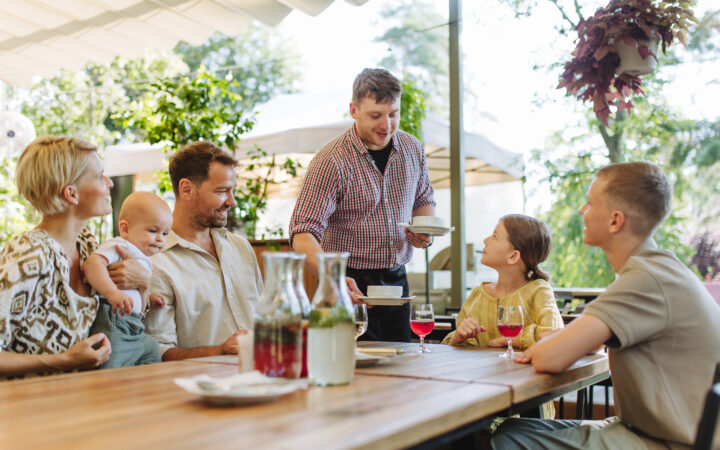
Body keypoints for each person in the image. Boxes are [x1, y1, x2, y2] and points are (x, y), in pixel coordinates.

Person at [490, 162, 720, 449]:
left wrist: (547, 345)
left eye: (589, 203)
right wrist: (556, 340)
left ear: (615, 221)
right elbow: (589, 341)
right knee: (513, 427)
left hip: (664, 442)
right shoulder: (659, 268)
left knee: (504, 438)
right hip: (665, 432)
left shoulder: (646, 278)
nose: (581, 211)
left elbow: (551, 357)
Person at [289, 68, 435, 342]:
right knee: (347, 373)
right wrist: (332, 279)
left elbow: (424, 200)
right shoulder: (331, 160)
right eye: (375, 116)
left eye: (393, 114)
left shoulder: (413, 148)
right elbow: (303, 233)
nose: (386, 125)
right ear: (353, 110)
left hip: (397, 282)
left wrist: (423, 231)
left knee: (401, 370)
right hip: (347, 283)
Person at [0, 137, 150, 379]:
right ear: (71, 193)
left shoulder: (89, 247)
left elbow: (128, 321)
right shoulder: (28, 253)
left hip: (78, 399)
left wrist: (144, 285)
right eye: (100, 176)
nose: (110, 183)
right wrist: (63, 360)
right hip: (23, 407)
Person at [144, 141, 262, 361]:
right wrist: (220, 351)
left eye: (232, 190)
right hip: (197, 389)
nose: (232, 201)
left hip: (262, 379)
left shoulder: (241, 248)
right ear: (186, 189)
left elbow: (264, 319)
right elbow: (157, 353)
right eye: (221, 191)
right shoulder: (155, 262)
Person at [442, 214, 562, 419]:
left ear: (513, 256)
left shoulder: (539, 291)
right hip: (480, 399)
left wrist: (516, 339)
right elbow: (454, 356)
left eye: (495, 236)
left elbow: (555, 336)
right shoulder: (477, 295)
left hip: (525, 407)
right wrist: (457, 339)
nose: (485, 240)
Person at [84, 191, 171, 368]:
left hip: (134, 325)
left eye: (165, 233)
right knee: (112, 362)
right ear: (125, 229)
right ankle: (105, 390)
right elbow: (92, 264)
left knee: (152, 348)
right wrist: (111, 292)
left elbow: (131, 289)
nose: (159, 239)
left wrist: (149, 296)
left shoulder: (143, 256)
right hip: (114, 320)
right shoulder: (120, 246)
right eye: (153, 231)